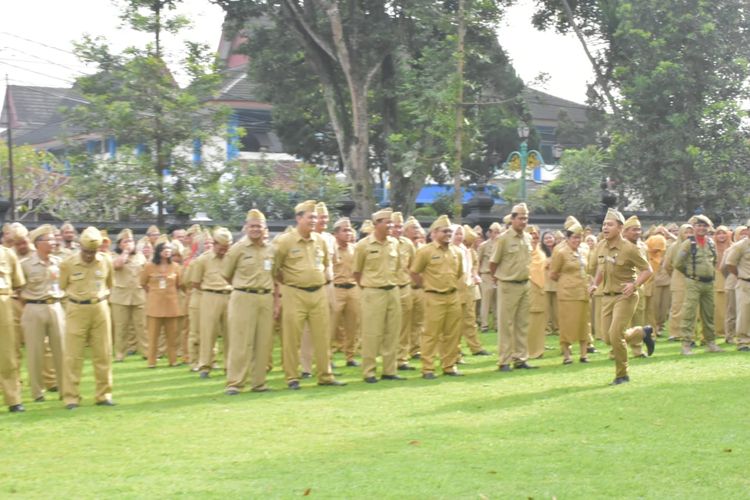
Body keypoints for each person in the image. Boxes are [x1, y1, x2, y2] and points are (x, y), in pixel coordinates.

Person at [273, 200, 345, 389]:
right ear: (298, 218)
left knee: (322, 336)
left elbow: (326, 263)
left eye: (315, 217)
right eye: (310, 217)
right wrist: (290, 282)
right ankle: (292, 377)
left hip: (319, 292)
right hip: (295, 292)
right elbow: (275, 269)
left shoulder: (320, 240)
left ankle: (325, 375)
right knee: (292, 337)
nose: (314, 221)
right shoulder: (285, 241)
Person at [591, 209, 652, 385]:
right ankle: (641, 332)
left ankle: (622, 375)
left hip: (625, 297)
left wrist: (634, 285)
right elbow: (601, 268)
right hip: (607, 296)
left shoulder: (630, 249)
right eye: (604, 224)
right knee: (608, 337)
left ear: (620, 228)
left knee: (615, 334)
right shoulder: (601, 246)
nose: (605, 227)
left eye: (609, 224)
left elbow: (648, 270)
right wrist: (595, 283)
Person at [60, 226, 115, 409]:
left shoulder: (106, 261)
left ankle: (104, 395)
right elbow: (62, 285)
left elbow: (110, 283)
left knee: (103, 353)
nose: (89, 255)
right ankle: (71, 397)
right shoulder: (68, 263)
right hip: (76, 308)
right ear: (79, 247)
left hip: (100, 307)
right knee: (73, 356)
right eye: (86, 251)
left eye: (93, 252)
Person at [222, 209, 277, 394]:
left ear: (265, 228)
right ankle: (235, 383)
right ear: (246, 227)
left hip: (265, 297)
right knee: (240, 341)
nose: (255, 229)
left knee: (263, 341)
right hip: (243, 296)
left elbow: (275, 275)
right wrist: (243, 286)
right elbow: (226, 274)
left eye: (259, 226)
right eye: (252, 226)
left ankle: (259, 383)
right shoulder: (238, 249)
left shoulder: (271, 249)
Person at [410, 214, 464, 379]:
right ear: (434, 233)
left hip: (452, 296)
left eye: (449, 231)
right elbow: (414, 272)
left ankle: (449, 365)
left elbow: (459, 273)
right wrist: (426, 286)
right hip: (433, 297)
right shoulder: (425, 251)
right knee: (431, 334)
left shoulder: (456, 252)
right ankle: (428, 368)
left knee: (452, 334)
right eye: (444, 231)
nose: (448, 234)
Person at [353, 208, 403, 383]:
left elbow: (397, 268)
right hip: (373, 292)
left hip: (392, 290)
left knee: (392, 332)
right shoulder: (363, 245)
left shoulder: (394, 243)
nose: (390, 225)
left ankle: (390, 370)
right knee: (371, 333)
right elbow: (357, 272)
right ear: (376, 224)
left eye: (391, 222)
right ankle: (369, 371)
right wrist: (370, 285)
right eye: (386, 222)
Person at [19, 225, 66, 402]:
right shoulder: (25, 265)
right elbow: (18, 289)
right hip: (33, 308)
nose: (53, 243)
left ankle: (64, 389)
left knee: (61, 350)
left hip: (55, 306)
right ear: (38, 243)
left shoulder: (59, 262)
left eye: (54, 239)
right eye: (49, 240)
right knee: (35, 352)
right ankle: (37, 393)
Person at [490, 203, 537, 372]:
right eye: (520, 218)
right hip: (508, 285)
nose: (523, 221)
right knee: (506, 324)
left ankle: (520, 358)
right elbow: (493, 263)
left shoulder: (528, 237)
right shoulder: (503, 238)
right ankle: (504, 360)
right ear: (512, 219)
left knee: (522, 324)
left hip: (525, 284)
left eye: (526, 218)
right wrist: (500, 279)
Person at [673, 215, 724, 355]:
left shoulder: (710, 243)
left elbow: (714, 262)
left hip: (708, 283)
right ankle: (686, 344)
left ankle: (710, 342)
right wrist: (690, 274)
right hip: (694, 282)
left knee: (709, 313)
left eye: (704, 226)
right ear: (694, 227)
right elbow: (677, 263)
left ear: (708, 228)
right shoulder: (688, 243)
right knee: (689, 312)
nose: (702, 228)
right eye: (699, 225)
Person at [192, 227, 233, 378]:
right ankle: (205, 365)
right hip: (210, 296)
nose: (224, 251)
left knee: (231, 334)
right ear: (214, 243)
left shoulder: (232, 257)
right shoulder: (203, 260)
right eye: (221, 248)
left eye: (227, 248)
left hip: (230, 295)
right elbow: (195, 282)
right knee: (208, 333)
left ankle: (230, 366)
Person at [549, 222, 591, 364]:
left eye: (579, 238)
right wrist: (566, 282)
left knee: (583, 323)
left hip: (583, 292)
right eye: (574, 238)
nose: (577, 241)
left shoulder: (584, 251)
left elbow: (588, 269)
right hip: (567, 294)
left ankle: (584, 354)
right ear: (567, 238)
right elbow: (553, 273)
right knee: (567, 323)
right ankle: (567, 355)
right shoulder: (561, 252)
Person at [140, 236, 182, 367]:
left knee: (172, 336)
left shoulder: (175, 266)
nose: (168, 251)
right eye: (165, 249)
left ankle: (173, 360)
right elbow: (143, 283)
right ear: (158, 251)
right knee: (153, 336)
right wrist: (154, 292)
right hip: (155, 305)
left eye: (169, 248)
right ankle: (151, 362)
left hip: (171, 305)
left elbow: (179, 284)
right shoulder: (149, 266)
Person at [110, 228, 147, 361]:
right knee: (121, 327)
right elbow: (117, 265)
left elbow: (145, 274)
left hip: (138, 295)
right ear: (120, 243)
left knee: (142, 326)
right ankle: (120, 354)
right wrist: (125, 252)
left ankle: (146, 352)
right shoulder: (113, 255)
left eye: (131, 240)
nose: (130, 243)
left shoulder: (140, 256)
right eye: (126, 241)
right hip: (120, 296)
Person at [329, 217, 361, 368]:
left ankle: (350, 356)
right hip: (336, 289)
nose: (348, 233)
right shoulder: (331, 249)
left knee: (352, 325)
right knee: (331, 326)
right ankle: (327, 357)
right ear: (336, 234)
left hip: (353, 289)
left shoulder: (355, 249)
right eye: (344, 230)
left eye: (349, 230)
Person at [453, 225, 489, 357]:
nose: (459, 237)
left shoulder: (468, 251)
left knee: (470, 320)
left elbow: (473, 267)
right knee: (454, 322)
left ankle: (475, 347)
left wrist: (475, 276)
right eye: (456, 234)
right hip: (455, 290)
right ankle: (455, 350)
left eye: (460, 234)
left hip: (469, 289)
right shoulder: (451, 250)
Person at [0, 239, 26, 412]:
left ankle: (13, 399)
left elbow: (18, 283)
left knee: (7, 353)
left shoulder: (8, 254)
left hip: (4, 305)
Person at [390, 212, 417, 372]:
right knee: (389, 326)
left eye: (400, 226)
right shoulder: (386, 244)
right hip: (389, 288)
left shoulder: (408, 244)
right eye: (394, 226)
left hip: (405, 287)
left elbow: (414, 266)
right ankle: (389, 358)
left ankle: (402, 358)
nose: (397, 229)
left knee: (405, 325)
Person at [722, 220, 750, 351]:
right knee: (744, 313)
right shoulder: (740, 246)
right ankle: (743, 342)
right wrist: (739, 274)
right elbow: (730, 264)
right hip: (745, 283)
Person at [526, 225, 548, 359]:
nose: (534, 238)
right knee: (528, 320)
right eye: (532, 236)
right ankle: (527, 350)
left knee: (539, 320)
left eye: (536, 235)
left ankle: (538, 349)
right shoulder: (524, 252)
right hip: (528, 287)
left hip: (541, 289)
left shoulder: (540, 252)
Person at [477, 222, 501, 332]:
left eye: (498, 232)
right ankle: (484, 325)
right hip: (486, 275)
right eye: (494, 232)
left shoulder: (501, 245)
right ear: (489, 233)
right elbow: (478, 261)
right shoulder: (483, 246)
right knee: (485, 302)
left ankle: (497, 324)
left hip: (498, 276)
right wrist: (477, 275)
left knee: (497, 302)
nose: (496, 234)